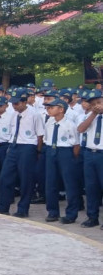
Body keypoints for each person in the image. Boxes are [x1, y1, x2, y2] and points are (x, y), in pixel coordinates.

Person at [0, 93, 45, 217]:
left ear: (24, 102)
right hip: (13, 145)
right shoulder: (13, 114)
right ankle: (2, 206)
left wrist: (37, 151)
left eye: (17, 103)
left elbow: (40, 135)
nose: (14, 106)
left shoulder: (34, 115)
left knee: (26, 180)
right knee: (5, 177)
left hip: (27, 146)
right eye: (13, 103)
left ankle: (23, 209)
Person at [42, 99, 81, 224]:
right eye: (48, 107)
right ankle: (52, 212)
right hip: (51, 150)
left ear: (61, 109)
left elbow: (76, 144)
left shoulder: (70, 124)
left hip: (65, 151)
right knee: (51, 183)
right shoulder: (49, 122)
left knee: (69, 183)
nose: (48, 109)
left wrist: (71, 157)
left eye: (52, 107)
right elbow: (47, 138)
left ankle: (71, 214)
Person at [77, 89, 103, 228]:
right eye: (93, 104)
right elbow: (80, 129)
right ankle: (92, 217)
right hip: (89, 153)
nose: (96, 106)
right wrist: (93, 114)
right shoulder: (89, 116)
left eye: (99, 102)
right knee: (91, 188)